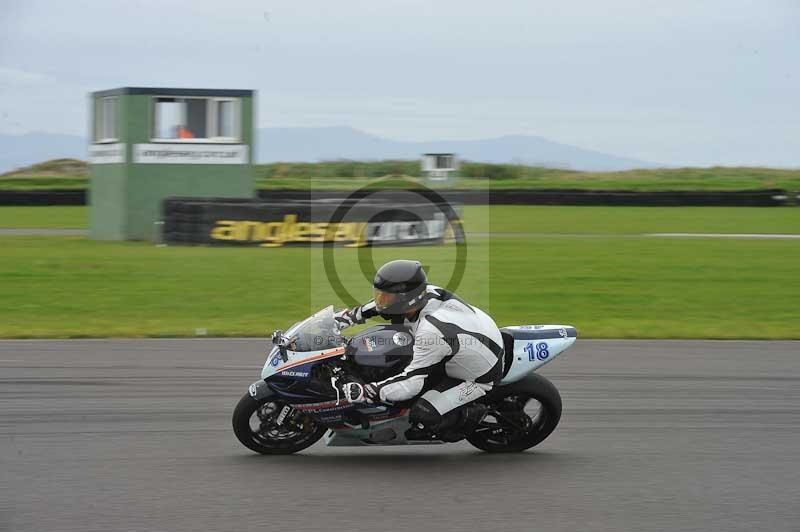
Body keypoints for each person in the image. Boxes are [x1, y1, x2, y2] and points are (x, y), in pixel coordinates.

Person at [335, 259, 504, 441]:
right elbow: (374, 308)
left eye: (386, 297)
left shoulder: (431, 330)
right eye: (380, 295)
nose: (380, 301)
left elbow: (411, 382)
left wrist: (368, 391)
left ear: (406, 299)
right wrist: (342, 319)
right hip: (468, 342)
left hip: (477, 376)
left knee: (423, 414)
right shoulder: (426, 293)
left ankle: (470, 417)